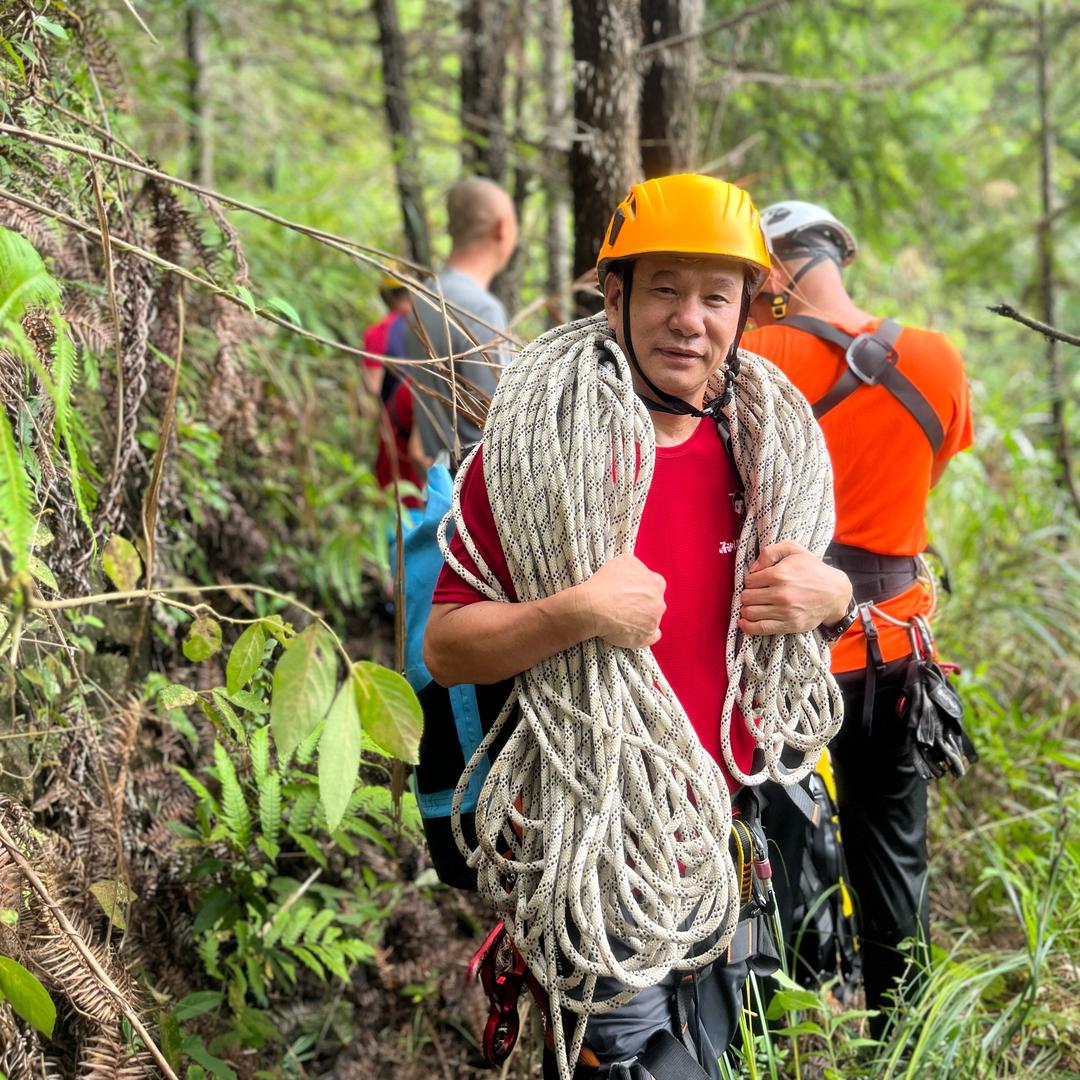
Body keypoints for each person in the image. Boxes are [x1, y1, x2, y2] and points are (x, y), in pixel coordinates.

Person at [423, 175, 854, 1079]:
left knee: (714, 1052)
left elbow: (795, 650)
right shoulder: (532, 455)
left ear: (747, 311)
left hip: (727, 837)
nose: (688, 319)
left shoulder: (762, 451)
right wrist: (575, 612)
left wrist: (834, 599)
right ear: (612, 295)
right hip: (589, 836)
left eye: (715, 295)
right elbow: (448, 646)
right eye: (663, 288)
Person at [742, 200, 974, 1030]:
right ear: (836, 256)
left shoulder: (754, 358)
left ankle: (800, 1022)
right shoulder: (936, 359)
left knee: (785, 841)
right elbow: (932, 471)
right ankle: (902, 1037)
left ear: (770, 274)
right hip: (897, 649)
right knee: (894, 851)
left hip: (786, 653)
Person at [401, 177, 517, 472]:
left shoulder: (423, 297)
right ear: (502, 228)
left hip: (441, 491)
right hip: (477, 495)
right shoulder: (481, 310)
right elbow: (500, 424)